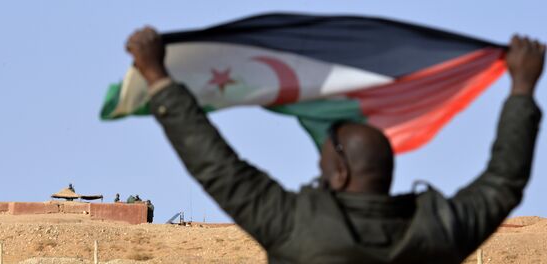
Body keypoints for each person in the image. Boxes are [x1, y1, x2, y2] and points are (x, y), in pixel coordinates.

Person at [125, 27, 544, 263]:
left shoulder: (296, 227)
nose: (319, 171)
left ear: (340, 172)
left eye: (323, 160)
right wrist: (522, 87)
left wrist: (160, 78)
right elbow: (504, 181)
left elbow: (216, 166)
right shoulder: (439, 230)